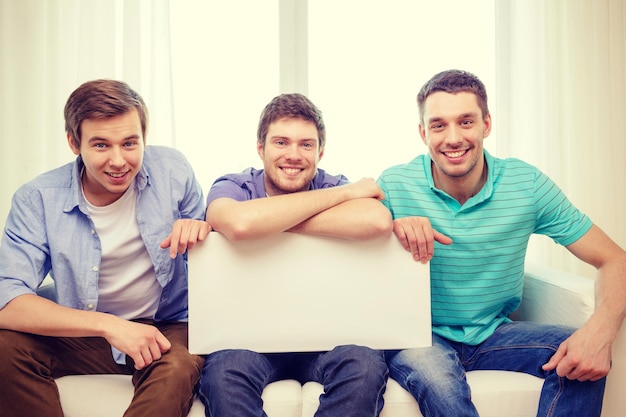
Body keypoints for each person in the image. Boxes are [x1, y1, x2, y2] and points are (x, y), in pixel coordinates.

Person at [377, 69, 626, 417]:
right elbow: (355, 247)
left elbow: (615, 258)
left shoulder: (526, 184)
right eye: (438, 125)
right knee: (443, 389)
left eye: (466, 122)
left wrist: (600, 331)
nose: (452, 137)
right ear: (423, 133)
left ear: (486, 125)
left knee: (583, 359)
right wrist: (390, 225)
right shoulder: (394, 184)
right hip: (420, 337)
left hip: (495, 335)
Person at [0, 79, 211, 417]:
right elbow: (7, 299)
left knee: (178, 367)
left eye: (130, 143)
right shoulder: (37, 198)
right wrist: (108, 325)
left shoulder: (174, 171)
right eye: (101, 145)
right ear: (74, 143)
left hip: (166, 325)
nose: (118, 161)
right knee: (3, 347)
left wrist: (204, 228)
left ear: (144, 137)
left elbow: (213, 254)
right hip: (85, 332)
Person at [198, 93, 392, 417]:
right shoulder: (234, 185)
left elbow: (377, 220)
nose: (293, 155)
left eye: (305, 145)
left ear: (320, 152)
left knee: (366, 364)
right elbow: (239, 223)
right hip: (249, 341)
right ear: (261, 149)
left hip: (327, 339)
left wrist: (271, 221)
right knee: (222, 374)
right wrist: (346, 195)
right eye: (281, 143)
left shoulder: (331, 182)